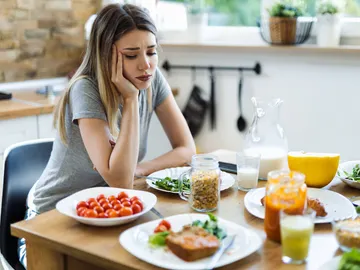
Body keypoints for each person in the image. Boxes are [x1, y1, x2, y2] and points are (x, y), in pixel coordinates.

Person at [18, 3, 196, 268]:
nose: (145, 65)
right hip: (51, 222)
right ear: (106, 55)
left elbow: (186, 149)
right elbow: (121, 181)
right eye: (131, 55)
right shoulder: (85, 89)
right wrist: (131, 100)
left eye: (151, 51)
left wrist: (140, 168)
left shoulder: (151, 78)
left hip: (109, 210)